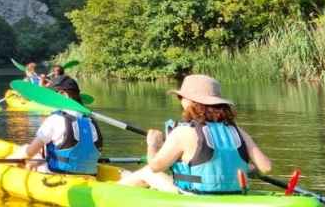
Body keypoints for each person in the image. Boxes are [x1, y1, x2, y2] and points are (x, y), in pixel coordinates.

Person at [119, 75, 273, 194]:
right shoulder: (238, 131)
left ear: (189, 102)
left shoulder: (183, 132)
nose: (180, 101)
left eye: (181, 97)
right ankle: (125, 179)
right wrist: (243, 167)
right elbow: (266, 168)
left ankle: (111, 190)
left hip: (194, 196)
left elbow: (155, 166)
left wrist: (153, 145)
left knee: (146, 172)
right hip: (236, 193)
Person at [15, 77, 101, 174]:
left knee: (25, 150)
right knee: (39, 155)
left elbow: (30, 152)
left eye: (52, 96)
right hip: (91, 174)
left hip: (60, 174)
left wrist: (16, 159)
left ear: (63, 94)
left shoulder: (55, 119)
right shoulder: (91, 121)